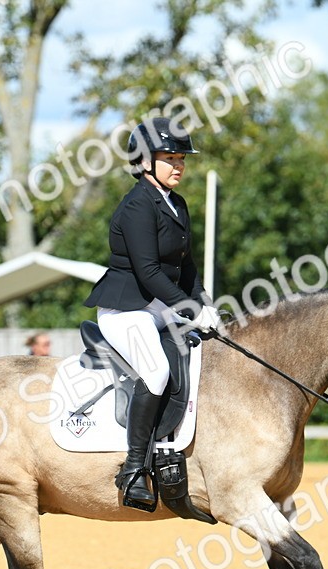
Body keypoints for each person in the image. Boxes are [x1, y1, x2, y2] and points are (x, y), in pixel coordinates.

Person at [83, 117, 220, 509]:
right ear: (144, 161)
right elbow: (148, 272)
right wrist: (190, 309)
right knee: (157, 371)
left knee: (209, 352)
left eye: (181, 158)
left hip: (158, 306)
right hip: (126, 310)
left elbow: (186, 268)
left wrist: (206, 306)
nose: (179, 165)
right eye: (170, 158)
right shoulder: (137, 206)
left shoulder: (177, 203)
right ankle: (133, 470)